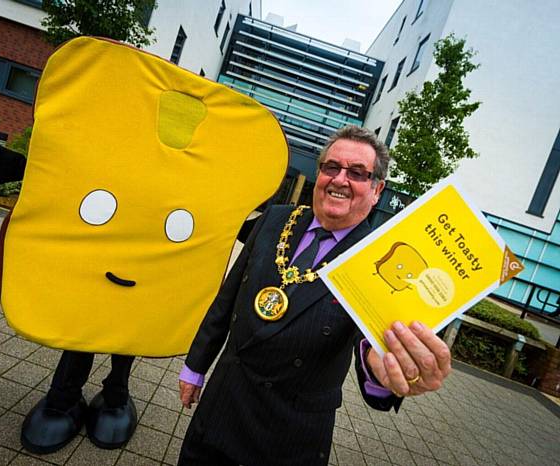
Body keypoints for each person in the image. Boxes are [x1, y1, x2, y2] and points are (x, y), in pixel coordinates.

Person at [177, 125, 452, 466]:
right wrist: (195, 366)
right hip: (222, 404)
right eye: (331, 167)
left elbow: (370, 343)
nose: (340, 179)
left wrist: (382, 368)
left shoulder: (377, 259)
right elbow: (228, 298)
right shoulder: (276, 219)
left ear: (377, 189)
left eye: (357, 173)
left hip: (289, 434)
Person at [0, 134, 137, 453]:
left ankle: (116, 393)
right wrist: (25, 167)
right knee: (85, 315)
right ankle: (64, 394)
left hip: (146, 246)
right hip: (97, 235)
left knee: (135, 315)